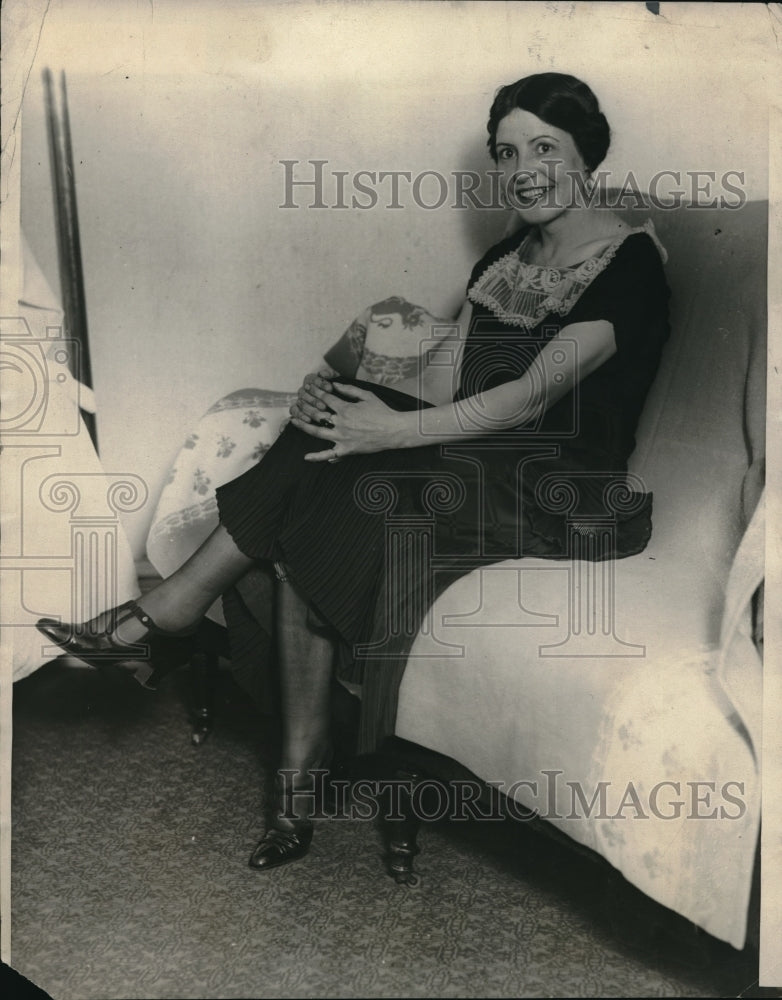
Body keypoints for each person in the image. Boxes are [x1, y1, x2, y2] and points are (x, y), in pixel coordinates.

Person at [37, 72, 670, 871]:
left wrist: (390, 432)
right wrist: (340, 402)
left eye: (545, 148)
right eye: (507, 153)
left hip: (564, 487)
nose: (524, 170)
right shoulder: (513, 251)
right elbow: (444, 381)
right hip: (483, 460)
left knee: (344, 461)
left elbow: (523, 398)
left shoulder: (627, 264)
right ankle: (274, 750)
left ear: (588, 155)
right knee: (333, 447)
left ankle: (166, 625)